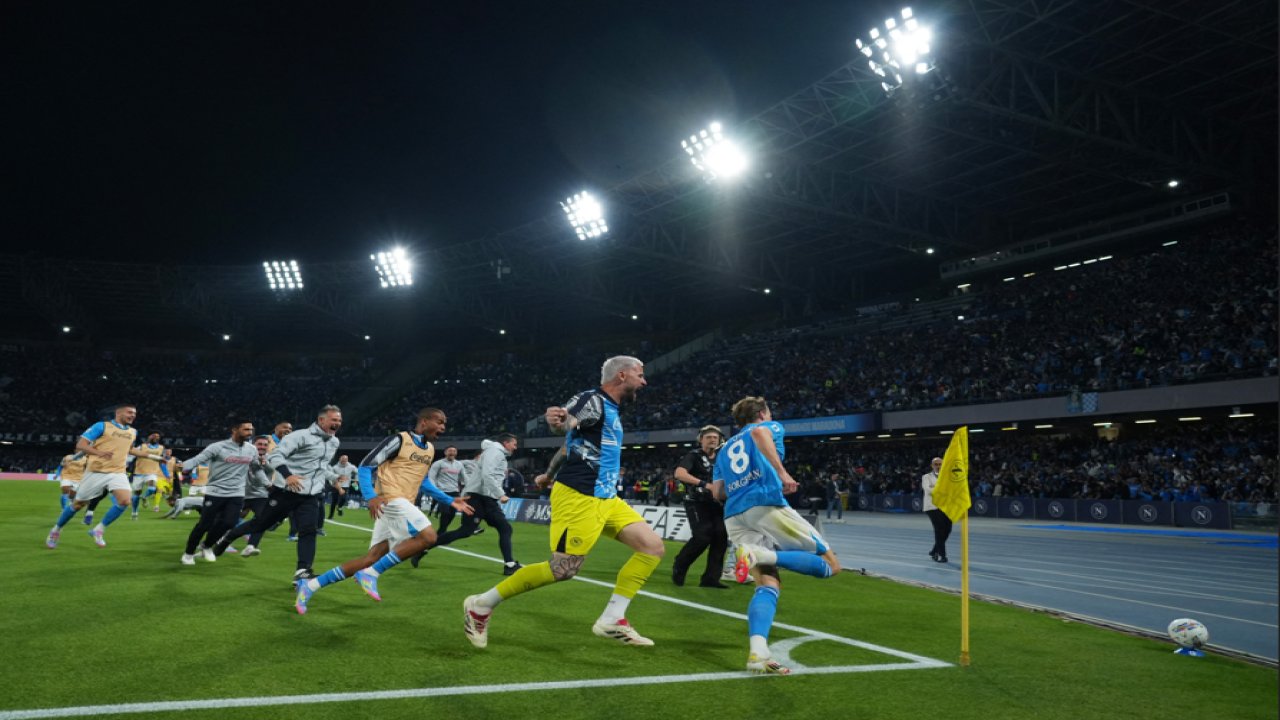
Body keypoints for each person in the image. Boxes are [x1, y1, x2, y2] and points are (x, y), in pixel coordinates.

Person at [462, 355, 665, 649]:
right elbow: (565, 424)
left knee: (652, 547)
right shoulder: (593, 400)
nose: (644, 381)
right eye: (640, 374)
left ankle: (612, 618)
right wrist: (558, 421)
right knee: (563, 569)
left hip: (606, 498)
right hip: (580, 496)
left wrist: (548, 473)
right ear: (622, 375)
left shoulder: (611, 409)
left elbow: (568, 446)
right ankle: (480, 605)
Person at [293, 408, 472, 614]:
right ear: (424, 422)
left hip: (401, 504)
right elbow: (365, 466)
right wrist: (370, 497)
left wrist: (449, 500)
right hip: (391, 499)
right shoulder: (399, 440)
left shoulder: (430, 449)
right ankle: (371, 574)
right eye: (439, 422)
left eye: (444, 423)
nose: (443, 427)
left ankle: (311, 585)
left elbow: (423, 481)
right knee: (429, 537)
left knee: (371, 558)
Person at [711, 396, 841, 675]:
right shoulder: (766, 427)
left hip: (734, 515)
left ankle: (758, 653)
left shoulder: (723, 450)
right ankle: (760, 554)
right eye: (768, 412)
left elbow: (717, 492)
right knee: (831, 565)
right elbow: (760, 433)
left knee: (767, 583)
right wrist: (782, 474)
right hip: (765, 503)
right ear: (761, 413)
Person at [212, 406, 342, 585]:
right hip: (286, 492)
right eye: (334, 420)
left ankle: (303, 571)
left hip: (310, 495)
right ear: (321, 420)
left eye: (339, 420)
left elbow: (321, 466)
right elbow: (275, 456)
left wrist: (333, 478)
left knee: (308, 531)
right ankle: (228, 537)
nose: (337, 423)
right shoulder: (300, 436)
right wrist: (288, 475)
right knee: (260, 523)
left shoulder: (334, 442)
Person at [46, 404, 172, 549]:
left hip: (118, 472)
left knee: (125, 501)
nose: (133, 415)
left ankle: (98, 529)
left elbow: (131, 450)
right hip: (96, 472)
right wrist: (99, 453)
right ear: (118, 413)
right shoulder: (102, 426)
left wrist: (155, 457)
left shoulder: (133, 432)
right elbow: (81, 445)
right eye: (129, 412)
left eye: (134, 413)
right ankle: (56, 530)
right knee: (78, 504)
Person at [433, 434, 521, 574]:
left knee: (502, 528)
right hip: (480, 498)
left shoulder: (494, 452)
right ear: (506, 443)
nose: (515, 447)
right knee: (469, 531)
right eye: (514, 444)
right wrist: (500, 494)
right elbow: (487, 474)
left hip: (485, 498)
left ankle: (509, 565)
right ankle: (424, 546)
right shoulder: (495, 452)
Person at [178, 420, 260, 565]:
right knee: (204, 525)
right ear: (234, 430)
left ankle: (206, 545)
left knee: (230, 523)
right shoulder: (218, 447)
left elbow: (256, 467)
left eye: (251, 430)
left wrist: (266, 479)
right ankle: (188, 553)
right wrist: (183, 466)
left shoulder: (252, 449)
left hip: (237, 492)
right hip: (215, 492)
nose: (250, 432)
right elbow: (198, 459)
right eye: (246, 429)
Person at [670, 425, 729, 589]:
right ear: (701, 440)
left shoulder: (723, 457)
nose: (712, 440)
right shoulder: (693, 455)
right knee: (702, 536)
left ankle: (711, 578)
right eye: (708, 437)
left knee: (721, 537)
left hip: (718, 503)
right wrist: (705, 484)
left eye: (715, 437)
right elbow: (679, 473)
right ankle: (680, 565)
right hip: (696, 501)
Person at [232, 435, 274, 557]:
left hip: (261, 495)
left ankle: (251, 546)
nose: (262, 447)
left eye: (265, 445)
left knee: (262, 520)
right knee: (228, 519)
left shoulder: (270, 458)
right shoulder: (244, 457)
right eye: (259, 444)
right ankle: (215, 541)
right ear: (253, 445)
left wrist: (264, 463)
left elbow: (270, 470)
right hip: (241, 493)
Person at [130, 432, 166, 519]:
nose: (156, 437)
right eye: (154, 435)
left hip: (152, 472)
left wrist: (166, 473)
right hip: (139, 472)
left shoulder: (161, 448)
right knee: (136, 495)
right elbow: (132, 452)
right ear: (149, 437)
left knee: (152, 488)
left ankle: (144, 497)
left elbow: (162, 461)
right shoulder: (142, 446)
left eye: (158, 436)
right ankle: (134, 512)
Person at [921, 456, 951, 563]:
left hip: (945, 506)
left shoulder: (947, 477)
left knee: (947, 529)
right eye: (936, 464)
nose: (938, 466)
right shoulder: (926, 477)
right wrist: (942, 489)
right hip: (931, 507)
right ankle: (942, 555)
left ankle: (934, 550)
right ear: (932, 466)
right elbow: (928, 489)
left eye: (940, 464)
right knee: (939, 529)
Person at [329, 454, 358, 519]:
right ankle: (331, 516)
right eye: (342, 460)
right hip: (336, 486)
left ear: (347, 460)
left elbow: (358, 472)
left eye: (345, 460)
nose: (344, 462)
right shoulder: (335, 467)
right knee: (334, 501)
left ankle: (339, 508)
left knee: (343, 499)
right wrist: (333, 484)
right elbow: (331, 477)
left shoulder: (351, 467)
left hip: (346, 486)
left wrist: (356, 481)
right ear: (340, 460)